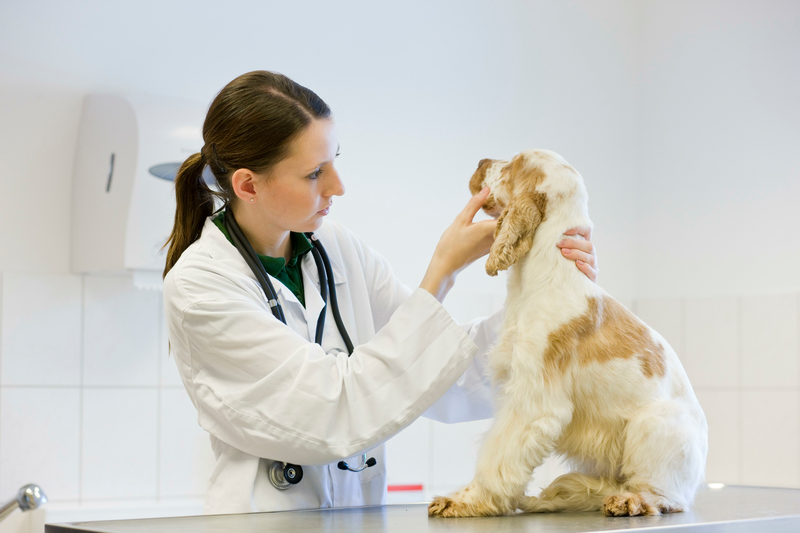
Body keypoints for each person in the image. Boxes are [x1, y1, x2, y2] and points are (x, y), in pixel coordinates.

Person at [162, 71, 598, 515]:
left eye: (333, 160)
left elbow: (448, 374)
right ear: (248, 186)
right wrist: (442, 271)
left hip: (357, 520)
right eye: (315, 173)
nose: (338, 186)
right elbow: (332, 411)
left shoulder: (338, 248)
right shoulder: (201, 287)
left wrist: (551, 293)